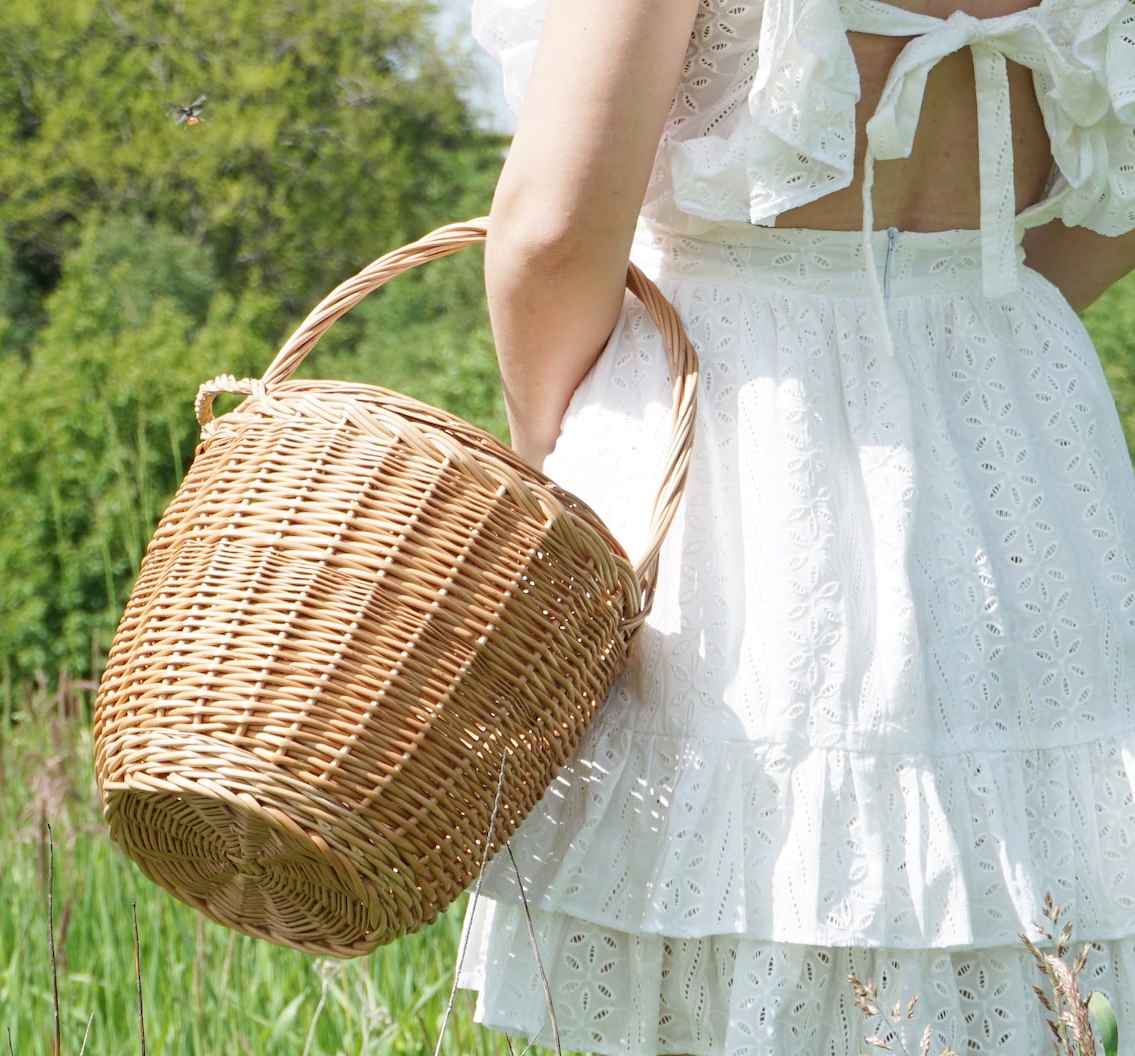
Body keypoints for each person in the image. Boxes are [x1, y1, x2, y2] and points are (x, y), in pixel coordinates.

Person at [456, 0, 1135, 1053]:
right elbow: (1112, 208)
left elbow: (550, 233)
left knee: (738, 923)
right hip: (1015, 438)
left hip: (737, 436)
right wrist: (959, 328)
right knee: (1012, 943)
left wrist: (548, 464)